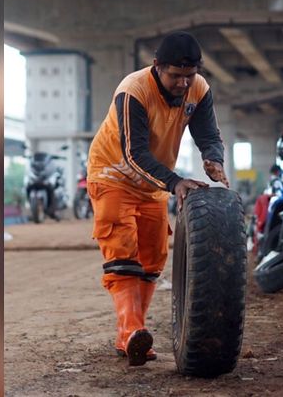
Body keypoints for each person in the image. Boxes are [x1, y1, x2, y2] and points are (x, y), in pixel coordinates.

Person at [85, 31, 227, 366]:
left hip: (152, 182)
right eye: (175, 76)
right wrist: (175, 182)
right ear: (156, 67)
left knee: (153, 258)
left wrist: (213, 157)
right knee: (122, 251)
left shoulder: (199, 89)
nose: (182, 83)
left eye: (188, 76)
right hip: (113, 174)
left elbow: (208, 133)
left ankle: (132, 334)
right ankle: (132, 331)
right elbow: (134, 154)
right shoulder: (133, 91)